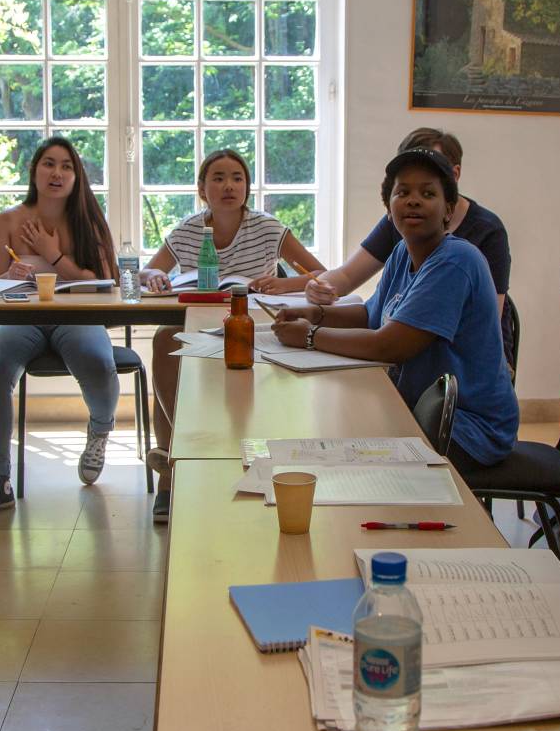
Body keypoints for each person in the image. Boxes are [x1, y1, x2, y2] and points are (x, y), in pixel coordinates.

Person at [269, 148, 519, 475]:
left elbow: (389, 345)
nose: (413, 200)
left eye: (428, 193)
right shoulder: (403, 251)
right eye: (402, 192)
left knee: (340, 456)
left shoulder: (456, 261)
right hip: (419, 410)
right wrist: (313, 314)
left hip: (465, 427)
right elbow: (370, 316)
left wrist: (310, 337)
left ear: (448, 211)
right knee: (327, 429)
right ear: (388, 209)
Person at [135, 149, 325, 523]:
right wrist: (153, 277)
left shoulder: (268, 228)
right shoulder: (189, 228)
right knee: (163, 341)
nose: (228, 186)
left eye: (237, 178)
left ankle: (233, 462)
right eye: (218, 178)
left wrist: (285, 283)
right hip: (197, 325)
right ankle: (172, 471)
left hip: (251, 326)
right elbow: (147, 272)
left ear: (247, 188)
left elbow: (320, 274)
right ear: (202, 189)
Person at [0, 137, 122, 515]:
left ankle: (100, 429)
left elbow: (106, 282)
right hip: (23, 318)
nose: (57, 173)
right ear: (34, 171)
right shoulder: (8, 220)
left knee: (98, 364)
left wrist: (54, 256)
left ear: (76, 176)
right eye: (48, 164)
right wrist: (9, 274)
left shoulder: (88, 219)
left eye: (66, 166)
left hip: (78, 316)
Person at [306, 127, 511, 316]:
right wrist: (319, 286)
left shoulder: (477, 239)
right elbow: (350, 279)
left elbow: (489, 315)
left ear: (453, 176)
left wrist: (311, 334)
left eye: (427, 189)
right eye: (405, 187)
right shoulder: (403, 237)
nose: (413, 200)